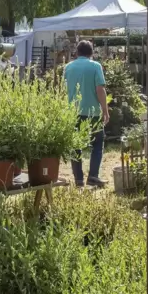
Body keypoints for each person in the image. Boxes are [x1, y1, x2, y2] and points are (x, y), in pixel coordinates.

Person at [63, 40, 109, 188]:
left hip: (73, 112)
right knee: (97, 144)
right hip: (92, 113)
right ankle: (93, 176)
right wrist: (105, 110)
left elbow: (63, 90)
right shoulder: (95, 66)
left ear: (77, 52)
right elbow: (100, 90)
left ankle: (78, 179)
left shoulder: (68, 67)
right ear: (91, 53)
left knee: (75, 145)